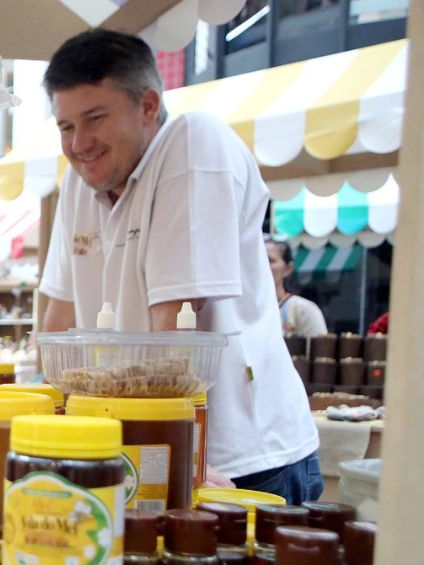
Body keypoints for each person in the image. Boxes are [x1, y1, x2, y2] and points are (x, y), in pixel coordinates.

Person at [38, 29, 322, 504]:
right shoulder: (79, 183)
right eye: (65, 127)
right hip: (140, 446)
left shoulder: (193, 142)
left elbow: (176, 331)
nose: (79, 142)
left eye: (95, 118)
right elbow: (58, 322)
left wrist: (185, 455)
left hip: (233, 463)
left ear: (148, 106)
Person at [266, 235, 327, 338]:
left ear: (288, 268)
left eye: (270, 260)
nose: (262, 265)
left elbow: (321, 351)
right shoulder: (243, 308)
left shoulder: (304, 310)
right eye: (259, 260)